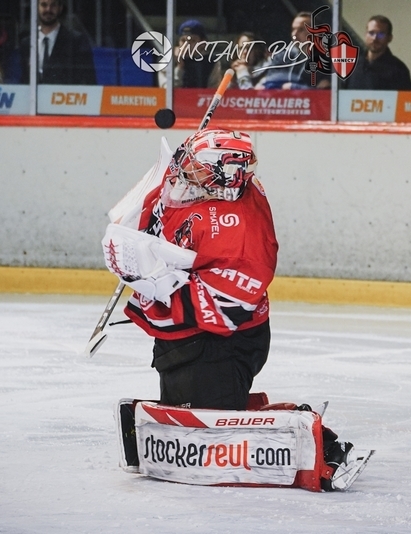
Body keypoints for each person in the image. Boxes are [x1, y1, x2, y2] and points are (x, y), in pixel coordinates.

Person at [102, 129, 357, 490]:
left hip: (221, 341)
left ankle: (312, 441)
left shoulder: (242, 239)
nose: (184, 173)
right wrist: (133, 239)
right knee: (189, 427)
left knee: (209, 439)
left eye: (197, 169)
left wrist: (148, 277)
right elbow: (164, 200)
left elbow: (225, 308)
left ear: (227, 176)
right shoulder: (209, 186)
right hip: (187, 341)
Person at [20, 0, 96, 85]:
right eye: (44, 5)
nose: (48, 10)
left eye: (53, 5)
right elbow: (24, 81)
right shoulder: (27, 43)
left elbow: (89, 81)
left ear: (60, 8)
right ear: (37, 7)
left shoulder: (76, 41)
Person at [255, 11, 330, 90]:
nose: (294, 34)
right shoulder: (281, 57)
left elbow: (324, 93)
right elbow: (268, 83)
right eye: (293, 29)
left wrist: (295, 87)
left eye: (301, 29)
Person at [345, 15, 411, 91]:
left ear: (390, 38)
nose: (374, 38)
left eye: (381, 34)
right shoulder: (352, 64)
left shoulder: (399, 70)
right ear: (365, 35)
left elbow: (403, 101)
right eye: (371, 33)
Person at [173, 20, 214, 88]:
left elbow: (213, 89)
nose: (187, 45)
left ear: (203, 43)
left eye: (192, 41)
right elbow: (167, 91)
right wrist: (179, 67)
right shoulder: (168, 60)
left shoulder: (211, 61)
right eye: (183, 40)